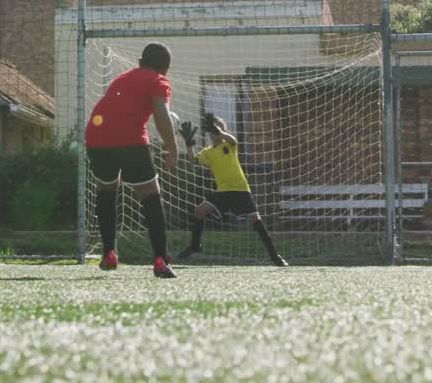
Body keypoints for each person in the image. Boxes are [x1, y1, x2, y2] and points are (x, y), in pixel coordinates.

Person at [85, 42, 180, 279]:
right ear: (166, 69)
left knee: (106, 188)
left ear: (139, 62)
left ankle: (108, 253)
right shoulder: (159, 80)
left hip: (96, 137)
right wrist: (172, 148)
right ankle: (160, 259)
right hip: (129, 139)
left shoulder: (123, 77)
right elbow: (161, 113)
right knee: (151, 193)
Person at [175, 113, 287, 267]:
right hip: (223, 192)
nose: (214, 134)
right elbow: (193, 160)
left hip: (241, 190)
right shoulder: (208, 152)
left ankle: (275, 257)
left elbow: (232, 140)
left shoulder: (229, 145)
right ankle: (195, 246)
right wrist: (189, 144)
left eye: (218, 130)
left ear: (222, 131)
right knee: (200, 210)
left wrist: (219, 132)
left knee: (256, 221)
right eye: (212, 130)